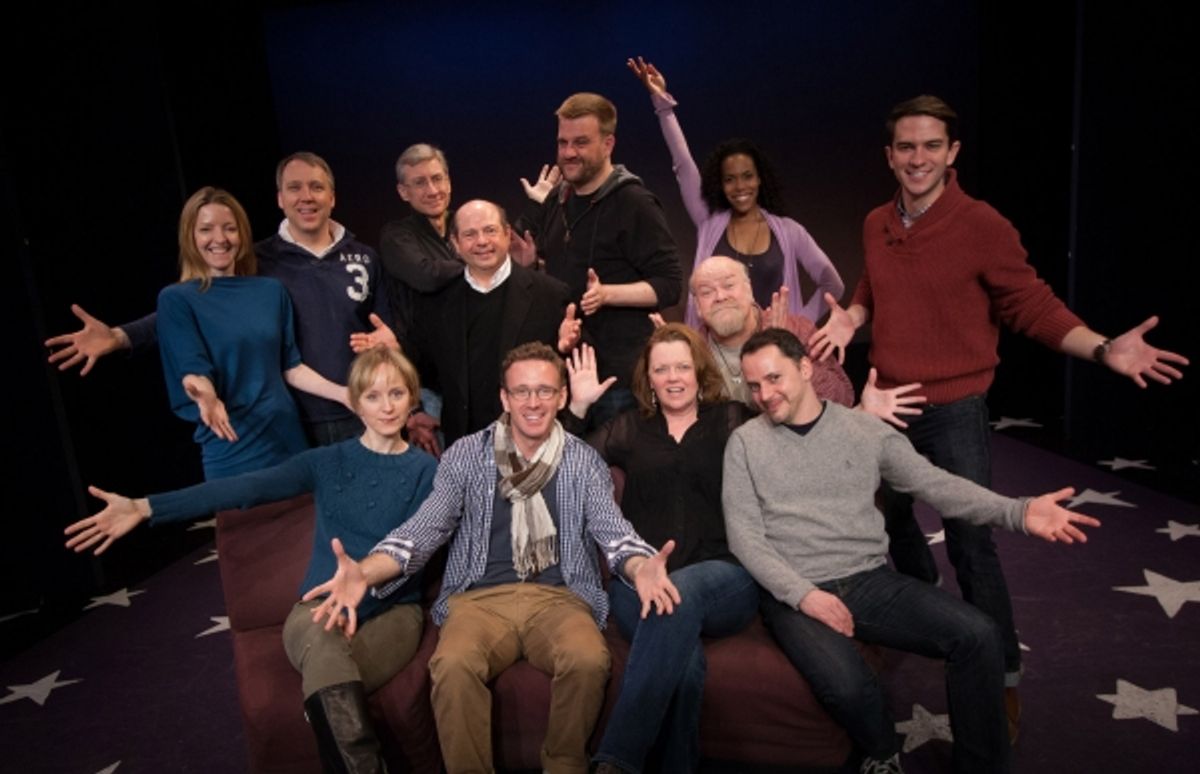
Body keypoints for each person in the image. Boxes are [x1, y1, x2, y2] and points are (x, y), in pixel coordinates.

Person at [808, 95, 1189, 734]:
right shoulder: (877, 220)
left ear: (953, 154)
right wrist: (853, 315)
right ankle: (921, 612)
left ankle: (1000, 677)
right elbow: (874, 285)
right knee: (887, 522)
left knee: (972, 542)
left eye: (932, 146)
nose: (918, 158)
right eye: (906, 146)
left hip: (955, 408)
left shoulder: (982, 224)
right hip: (888, 405)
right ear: (889, 155)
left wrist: (1101, 348)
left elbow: (1032, 308)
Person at [723, 328, 1100, 774]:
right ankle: (882, 750)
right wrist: (804, 595)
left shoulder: (864, 431)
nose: (764, 394)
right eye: (754, 385)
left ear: (805, 368)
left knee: (978, 635)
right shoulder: (746, 442)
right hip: (794, 590)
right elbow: (745, 537)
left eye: (774, 378)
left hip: (867, 579)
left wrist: (1018, 512)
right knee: (846, 685)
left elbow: (935, 484)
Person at [303, 342, 680, 774]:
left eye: (544, 391)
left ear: (561, 397)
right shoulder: (466, 455)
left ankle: (563, 765)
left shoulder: (583, 461)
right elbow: (426, 529)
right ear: (504, 398)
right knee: (452, 664)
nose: (533, 402)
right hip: (478, 600)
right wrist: (366, 572)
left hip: (561, 598)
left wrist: (638, 565)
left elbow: (613, 534)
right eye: (521, 391)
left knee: (588, 659)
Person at [64, 346, 437, 773]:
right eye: (373, 396)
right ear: (355, 401)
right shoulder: (326, 462)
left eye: (396, 393)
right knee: (324, 649)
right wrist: (146, 507)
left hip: (391, 613)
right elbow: (242, 489)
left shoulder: (428, 473)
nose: (386, 406)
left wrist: (368, 579)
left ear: (412, 397)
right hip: (317, 609)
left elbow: (418, 548)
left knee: (328, 682)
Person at [45, 152, 391, 446]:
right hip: (296, 419)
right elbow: (196, 305)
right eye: (294, 187)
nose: (307, 197)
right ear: (280, 198)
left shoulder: (364, 257)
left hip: (359, 409)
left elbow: (388, 329)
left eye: (317, 187)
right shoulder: (257, 263)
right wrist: (121, 337)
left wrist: (395, 355)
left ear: (332, 196)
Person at [563, 327, 758, 774]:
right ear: (648, 378)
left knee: (681, 590)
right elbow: (566, 464)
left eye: (682, 367)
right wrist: (578, 407)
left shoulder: (732, 419)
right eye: (661, 369)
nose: (673, 378)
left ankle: (615, 761)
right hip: (638, 579)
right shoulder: (629, 428)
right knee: (684, 669)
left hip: (724, 575)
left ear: (699, 372)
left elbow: (793, 429)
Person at [627, 57, 844, 326]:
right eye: (730, 179)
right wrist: (662, 104)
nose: (740, 186)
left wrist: (799, 323)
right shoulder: (710, 222)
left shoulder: (789, 232)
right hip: (719, 355)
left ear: (760, 179)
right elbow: (683, 165)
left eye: (747, 177)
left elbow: (833, 284)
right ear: (721, 185)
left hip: (771, 356)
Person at [156, 187, 348, 480]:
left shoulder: (269, 291)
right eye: (206, 229)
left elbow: (291, 367)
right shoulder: (177, 299)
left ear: (241, 235)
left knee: (307, 524)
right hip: (231, 445)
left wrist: (347, 395)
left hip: (287, 441)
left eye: (229, 229)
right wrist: (206, 396)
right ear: (190, 237)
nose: (219, 239)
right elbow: (192, 369)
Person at [515, 92, 682, 426]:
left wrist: (608, 294)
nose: (569, 153)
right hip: (567, 372)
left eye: (581, 143)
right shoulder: (558, 200)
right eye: (563, 143)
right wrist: (532, 264)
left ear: (608, 144)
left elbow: (670, 284)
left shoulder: (635, 203)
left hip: (619, 380)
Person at [398, 199, 581, 448]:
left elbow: (573, 374)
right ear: (456, 243)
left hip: (534, 444)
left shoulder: (550, 295)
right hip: (464, 446)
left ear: (507, 234)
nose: (482, 241)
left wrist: (565, 348)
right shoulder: (436, 303)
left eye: (490, 230)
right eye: (470, 234)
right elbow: (426, 371)